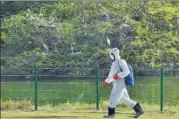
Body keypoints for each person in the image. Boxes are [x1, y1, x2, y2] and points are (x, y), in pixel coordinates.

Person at [103, 48, 144, 118]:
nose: (110, 56)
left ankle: (111, 114)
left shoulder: (121, 61)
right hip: (116, 82)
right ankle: (139, 110)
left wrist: (118, 75)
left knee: (113, 97)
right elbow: (111, 74)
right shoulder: (114, 63)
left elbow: (126, 71)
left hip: (120, 82)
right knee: (125, 99)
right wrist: (107, 81)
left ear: (114, 55)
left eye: (111, 55)